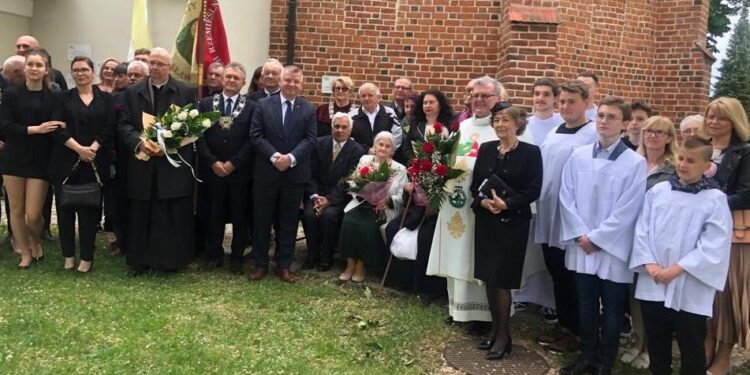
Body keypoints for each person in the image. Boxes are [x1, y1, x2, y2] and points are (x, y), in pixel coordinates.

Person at [558, 95, 646, 375]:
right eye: (602, 115)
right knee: (585, 305)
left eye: (612, 117)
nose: (604, 121)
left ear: (624, 124)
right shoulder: (579, 155)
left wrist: (596, 238)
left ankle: (604, 363)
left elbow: (629, 209)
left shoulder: (634, 163)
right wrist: (581, 234)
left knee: (611, 309)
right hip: (581, 243)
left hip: (612, 247)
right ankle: (586, 357)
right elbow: (566, 196)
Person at [630, 137, 732, 375]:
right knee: (657, 342)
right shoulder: (658, 191)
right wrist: (650, 264)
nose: (683, 164)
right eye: (681, 158)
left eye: (691, 160)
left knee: (691, 345)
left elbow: (714, 243)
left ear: (707, 166)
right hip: (654, 279)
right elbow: (642, 230)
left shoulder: (715, 199)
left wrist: (678, 269)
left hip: (689, 284)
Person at [426, 76, 507, 325]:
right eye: (475, 95)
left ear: (498, 98)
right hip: (457, 202)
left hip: (484, 205)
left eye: (485, 96)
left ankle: (482, 316)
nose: (479, 100)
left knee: (477, 257)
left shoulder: (503, 126)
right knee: (457, 255)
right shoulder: (465, 126)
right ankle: (458, 309)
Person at [471, 102, 542, 360]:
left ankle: (503, 335)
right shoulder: (488, 149)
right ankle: (494, 331)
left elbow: (534, 189)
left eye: (505, 120)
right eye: (497, 120)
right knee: (490, 278)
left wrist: (507, 204)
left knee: (502, 280)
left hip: (513, 224)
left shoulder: (531, 152)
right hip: (487, 221)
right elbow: (475, 185)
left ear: (517, 123)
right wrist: (484, 202)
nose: (500, 124)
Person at [117, 47, 197, 276]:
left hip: (171, 165)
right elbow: (124, 124)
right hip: (143, 164)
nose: (155, 67)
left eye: (160, 64)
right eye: (152, 63)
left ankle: (169, 262)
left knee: (170, 215)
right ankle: (138, 262)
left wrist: (167, 146)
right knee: (141, 214)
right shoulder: (133, 92)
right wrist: (140, 143)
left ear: (170, 67)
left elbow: (192, 126)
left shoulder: (185, 91)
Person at [534, 80, 598, 354]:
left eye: (572, 101)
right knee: (556, 270)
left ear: (586, 103)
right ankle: (563, 323)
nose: (565, 107)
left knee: (572, 275)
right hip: (548, 211)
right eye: (563, 101)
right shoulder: (555, 130)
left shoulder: (592, 133)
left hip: (572, 216)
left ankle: (577, 330)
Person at [618, 116, 678, 369]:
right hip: (628, 235)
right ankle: (637, 339)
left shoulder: (673, 168)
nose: (653, 136)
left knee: (653, 297)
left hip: (656, 240)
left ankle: (652, 348)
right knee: (633, 294)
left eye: (660, 132)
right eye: (649, 131)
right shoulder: (632, 162)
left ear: (669, 138)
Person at [248, 65, 316, 284]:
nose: (292, 84)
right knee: (261, 220)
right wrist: (275, 157)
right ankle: (260, 264)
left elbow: (310, 139)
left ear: (301, 84)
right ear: (280, 81)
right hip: (266, 173)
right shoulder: (262, 105)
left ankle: (284, 265)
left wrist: (291, 159)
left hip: (294, 176)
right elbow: (256, 135)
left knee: (288, 222)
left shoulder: (308, 109)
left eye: (296, 81)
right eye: (288, 80)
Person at [0, 48, 65, 268]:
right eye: (31, 64)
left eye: (39, 65)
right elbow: (5, 126)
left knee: (34, 214)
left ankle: (35, 239)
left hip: (41, 159)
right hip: (14, 158)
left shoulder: (54, 96)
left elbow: (57, 124)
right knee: (15, 211)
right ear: (24, 67)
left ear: (46, 69)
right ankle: (25, 253)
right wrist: (34, 129)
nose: (34, 68)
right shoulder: (11, 94)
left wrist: (59, 126)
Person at [49, 56, 115, 273]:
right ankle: (68, 255)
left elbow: (109, 127)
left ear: (93, 72)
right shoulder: (61, 99)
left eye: (84, 69)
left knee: (89, 211)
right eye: (75, 70)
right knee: (65, 209)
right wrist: (79, 149)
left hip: (95, 161)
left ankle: (86, 257)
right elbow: (58, 128)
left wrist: (92, 149)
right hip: (66, 160)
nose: (80, 73)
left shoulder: (105, 99)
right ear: (72, 73)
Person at [705, 97, 750, 375]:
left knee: (727, 296)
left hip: (733, 233)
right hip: (700, 230)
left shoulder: (744, 152)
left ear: (734, 120)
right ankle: (705, 345)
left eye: (720, 117)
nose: (713, 121)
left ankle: (724, 355)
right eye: (710, 115)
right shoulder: (700, 147)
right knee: (705, 295)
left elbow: (746, 193)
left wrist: (709, 203)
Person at [196, 62, 255, 274]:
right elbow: (198, 137)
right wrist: (212, 161)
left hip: (239, 172)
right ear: (222, 79)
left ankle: (237, 259)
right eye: (228, 77)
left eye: (236, 78)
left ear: (243, 83)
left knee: (240, 216)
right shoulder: (204, 104)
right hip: (212, 170)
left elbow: (252, 139)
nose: (231, 80)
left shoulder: (252, 107)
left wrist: (234, 163)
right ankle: (213, 256)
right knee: (214, 215)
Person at [513, 78, 561, 323]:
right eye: (537, 94)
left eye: (546, 94)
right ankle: (522, 293)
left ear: (555, 98)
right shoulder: (525, 125)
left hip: (551, 195)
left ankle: (549, 301)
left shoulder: (561, 125)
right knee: (526, 247)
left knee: (547, 251)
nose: (540, 99)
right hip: (526, 193)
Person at [339, 131, 407, 282]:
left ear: (393, 150)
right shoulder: (365, 160)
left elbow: (402, 195)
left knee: (368, 227)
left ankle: (361, 266)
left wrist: (388, 199)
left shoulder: (400, 169)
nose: (383, 148)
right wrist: (362, 188)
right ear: (374, 146)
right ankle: (350, 264)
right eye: (380, 144)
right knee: (349, 222)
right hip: (361, 203)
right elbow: (354, 181)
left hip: (382, 208)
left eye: (387, 146)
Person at [302, 112, 366, 271]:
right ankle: (312, 255)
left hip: (338, 198)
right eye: (336, 126)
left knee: (329, 216)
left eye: (344, 127)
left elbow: (349, 180)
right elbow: (310, 173)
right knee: (309, 215)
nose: (340, 130)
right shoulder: (318, 143)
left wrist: (329, 200)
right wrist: (316, 196)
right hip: (316, 194)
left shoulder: (357, 151)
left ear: (350, 131)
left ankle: (326, 258)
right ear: (331, 128)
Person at [401, 89, 454, 162]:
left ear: (440, 105)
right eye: (425, 103)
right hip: (419, 168)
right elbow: (407, 148)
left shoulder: (449, 125)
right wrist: (415, 161)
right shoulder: (415, 124)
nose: (427, 106)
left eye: (431, 102)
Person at [349, 82, 402, 151]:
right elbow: (349, 139)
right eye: (363, 96)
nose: (366, 98)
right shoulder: (351, 116)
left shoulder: (389, 113)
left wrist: (386, 151)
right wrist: (367, 151)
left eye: (370, 95)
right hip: (360, 157)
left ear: (378, 97)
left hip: (385, 157)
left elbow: (397, 135)